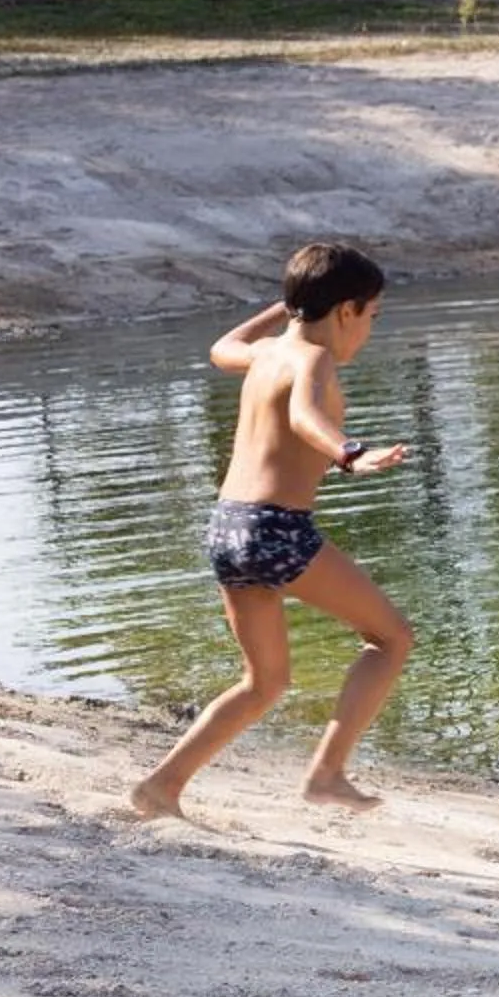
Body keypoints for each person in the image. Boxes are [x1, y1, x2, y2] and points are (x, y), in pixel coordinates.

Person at [130, 243, 415, 820]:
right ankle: (327, 773)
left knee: (264, 683)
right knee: (391, 639)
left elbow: (219, 349)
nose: (370, 330)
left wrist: (290, 305)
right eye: (373, 315)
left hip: (226, 526)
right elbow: (303, 417)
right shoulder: (313, 359)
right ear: (345, 311)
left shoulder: (266, 354)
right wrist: (349, 452)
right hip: (274, 528)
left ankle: (161, 787)